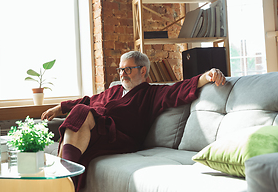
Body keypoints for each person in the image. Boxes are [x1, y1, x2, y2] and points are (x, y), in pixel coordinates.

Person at [41, 51, 226, 191]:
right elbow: (88, 101)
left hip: (121, 138)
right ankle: (64, 180)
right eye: (121, 70)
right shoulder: (113, 91)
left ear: (143, 70)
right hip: (98, 133)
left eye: (127, 69)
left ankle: (65, 180)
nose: (122, 74)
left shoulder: (152, 93)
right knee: (80, 112)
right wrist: (59, 108)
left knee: (81, 112)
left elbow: (178, 89)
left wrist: (206, 76)